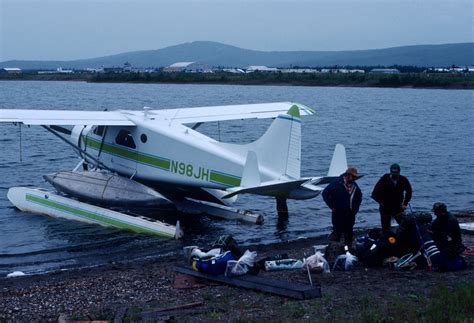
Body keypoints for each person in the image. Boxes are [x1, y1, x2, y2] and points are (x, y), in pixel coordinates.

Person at [322, 167, 362, 246]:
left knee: (349, 233)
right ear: (347, 175)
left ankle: (348, 251)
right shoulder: (337, 183)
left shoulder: (355, 186)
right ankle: (334, 251)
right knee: (337, 232)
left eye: (355, 177)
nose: (354, 178)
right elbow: (325, 193)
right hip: (338, 213)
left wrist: (355, 209)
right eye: (353, 176)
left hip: (350, 213)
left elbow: (359, 196)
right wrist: (331, 206)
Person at [371, 163, 412, 233]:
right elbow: (374, 194)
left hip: (398, 207)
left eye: (396, 172)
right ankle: (386, 241)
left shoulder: (403, 179)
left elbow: (409, 191)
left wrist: (405, 203)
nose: (394, 174)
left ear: (399, 172)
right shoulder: (384, 178)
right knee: (385, 229)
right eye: (393, 172)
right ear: (390, 172)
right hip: (385, 208)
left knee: (404, 225)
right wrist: (381, 202)